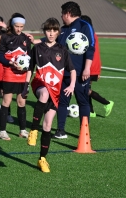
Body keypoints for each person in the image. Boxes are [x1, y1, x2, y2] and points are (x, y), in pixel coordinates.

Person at [26, 18, 76, 173]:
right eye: (48, 30)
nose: (51, 33)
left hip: (56, 91)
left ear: (58, 32)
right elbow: (30, 68)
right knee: (44, 94)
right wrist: (26, 84)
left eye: (54, 30)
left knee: (47, 126)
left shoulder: (62, 50)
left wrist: (72, 85)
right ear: (44, 31)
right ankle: (33, 130)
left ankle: (42, 159)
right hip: (40, 84)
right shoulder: (37, 48)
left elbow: (72, 70)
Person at [54, 1, 96, 139]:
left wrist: (87, 69)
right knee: (62, 101)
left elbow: (90, 48)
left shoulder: (85, 26)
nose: (61, 17)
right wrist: (36, 41)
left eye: (62, 14)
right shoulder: (64, 29)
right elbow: (53, 41)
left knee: (82, 101)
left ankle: (85, 133)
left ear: (68, 13)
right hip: (64, 72)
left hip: (80, 73)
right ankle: (60, 130)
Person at [0, 13, 32, 140]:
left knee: (22, 102)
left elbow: (29, 56)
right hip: (9, 74)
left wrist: (26, 65)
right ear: (12, 24)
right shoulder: (5, 37)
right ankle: (2, 131)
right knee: (6, 101)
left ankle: (22, 130)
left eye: (21, 26)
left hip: (22, 76)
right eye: (17, 26)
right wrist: (9, 62)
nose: (19, 29)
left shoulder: (26, 39)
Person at [80, 15, 114, 118]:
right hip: (94, 66)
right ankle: (91, 111)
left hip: (89, 66)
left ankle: (107, 103)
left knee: (85, 90)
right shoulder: (92, 34)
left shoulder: (87, 36)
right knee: (86, 87)